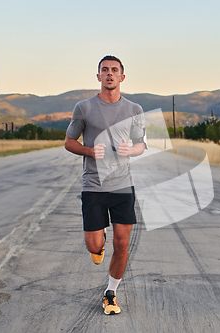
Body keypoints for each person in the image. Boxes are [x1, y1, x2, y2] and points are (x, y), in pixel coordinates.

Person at [64, 55, 146, 315]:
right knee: (93, 246)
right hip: (93, 186)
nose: (109, 74)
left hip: (123, 186)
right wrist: (90, 151)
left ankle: (110, 293)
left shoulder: (134, 110)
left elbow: (141, 145)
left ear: (122, 77)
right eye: (104, 70)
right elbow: (69, 142)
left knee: (122, 246)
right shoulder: (84, 108)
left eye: (114, 70)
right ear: (98, 76)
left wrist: (130, 150)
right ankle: (99, 240)